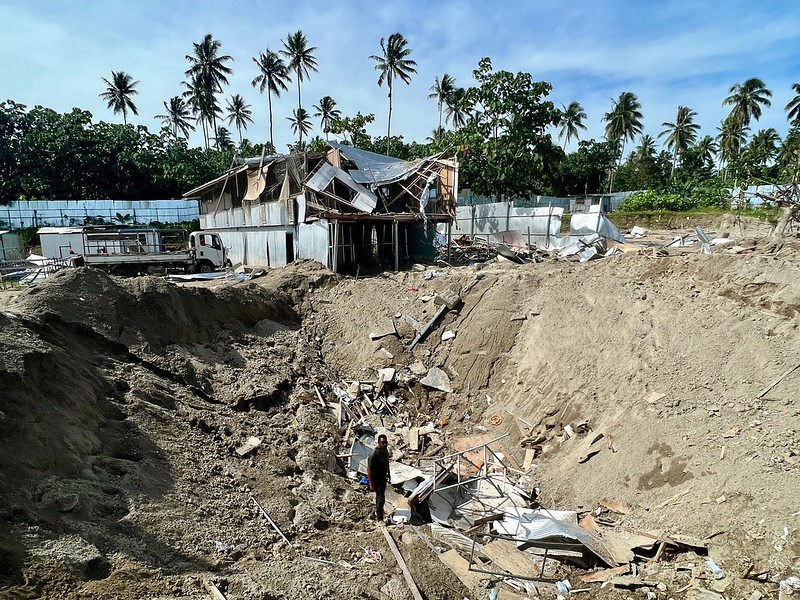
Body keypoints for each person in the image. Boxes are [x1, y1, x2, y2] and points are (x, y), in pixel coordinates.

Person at [367, 434, 391, 522]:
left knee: (381, 498)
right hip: (376, 478)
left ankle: (378, 514)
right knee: (380, 498)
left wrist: (389, 474)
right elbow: (369, 469)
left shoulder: (385, 451)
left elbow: (387, 463)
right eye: (382, 443)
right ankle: (379, 519)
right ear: (378, 443)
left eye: (386, 443)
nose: (384, 444)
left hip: (383, 477)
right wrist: (371, 483)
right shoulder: (374, 453)